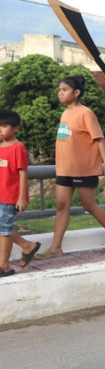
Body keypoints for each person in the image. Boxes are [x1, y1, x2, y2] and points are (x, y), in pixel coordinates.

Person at [40, 75, 105, 258]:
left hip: (83, 169)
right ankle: (56, 248)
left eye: (64, 90)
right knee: (62, 205)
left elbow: (99, 140)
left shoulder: (86, 113)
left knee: (89, 205)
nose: (60, 93)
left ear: (76, 93)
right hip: (64, 169)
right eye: (59, 90)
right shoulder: (65, 113)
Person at [0, 110, 40, 275]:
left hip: (10, 197)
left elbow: (23, 173)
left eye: (4, 126)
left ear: (15, 128)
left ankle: (4, 266)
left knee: (5, 231)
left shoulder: (18, 148)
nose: (0, 130)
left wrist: (21, 197)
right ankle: (27, 246)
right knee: (3, 229)